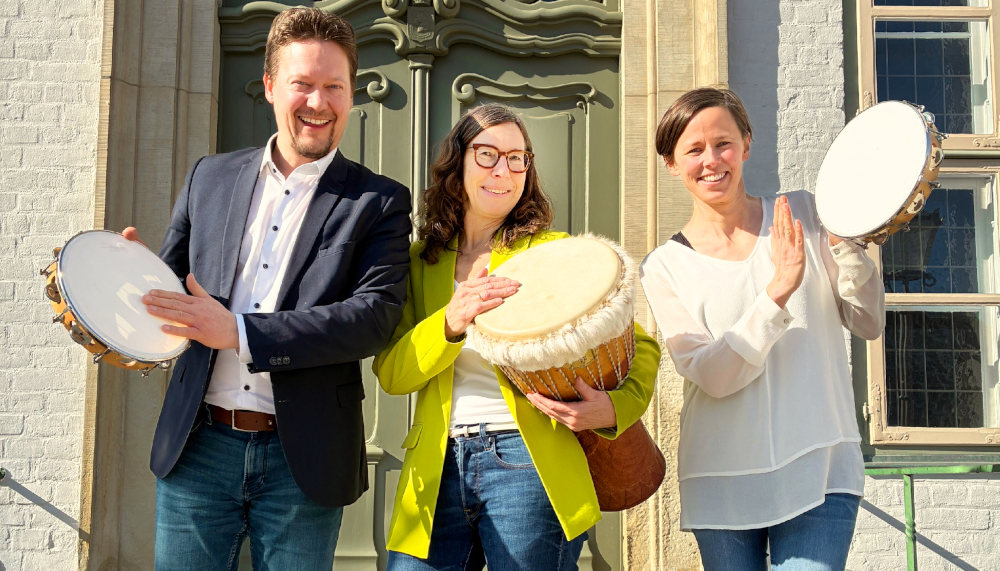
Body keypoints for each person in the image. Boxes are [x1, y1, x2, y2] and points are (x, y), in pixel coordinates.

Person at [125, 7, 412, 569]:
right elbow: (168, 290)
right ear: (269, 86)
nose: (318, 102)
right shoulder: (207, 176)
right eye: (302, 84)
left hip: (302, 458)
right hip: (198, 448)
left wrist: (237, 332)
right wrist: (122, 274)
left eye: (334, 87)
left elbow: (373, 316)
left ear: (352, 94)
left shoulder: (379, 201)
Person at [373, 103, 661, 570]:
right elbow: (391, 373)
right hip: (434, 466)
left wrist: (615, 408)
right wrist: (450, 319)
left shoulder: (553, 251)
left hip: (530, 460)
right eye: (486, 154)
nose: (502, 170)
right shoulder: (418, 262)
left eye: (516, 157)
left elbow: (642, 343)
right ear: (457, 163)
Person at [639, 86, 885, 570]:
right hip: (722, 480)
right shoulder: (664, 266)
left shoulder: (805, 213)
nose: (712, 160)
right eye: (693, 149)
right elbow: (710, 375)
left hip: (821, 466)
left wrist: (844, 246)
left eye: (723, 143)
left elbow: (868, 320)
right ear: (671, 163)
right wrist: (776, 294)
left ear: (746, 144)